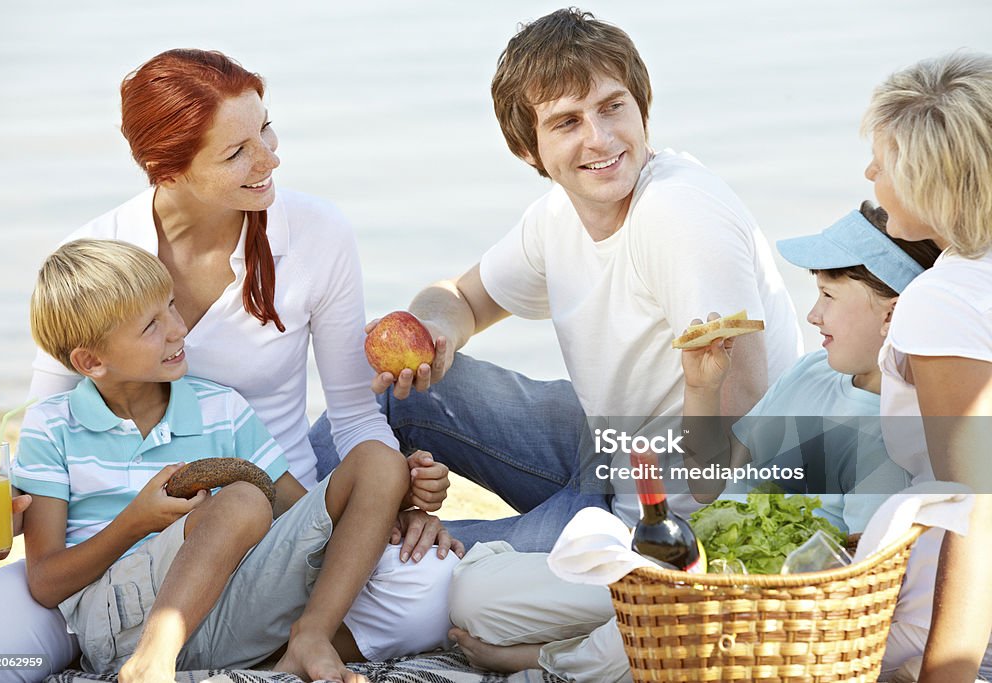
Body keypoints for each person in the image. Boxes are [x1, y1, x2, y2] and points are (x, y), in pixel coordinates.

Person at [0, 48, 458, 683]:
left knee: (431, 587)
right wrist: (3, 506)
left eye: (266, 129)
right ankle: (182, 644)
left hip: (276, 529)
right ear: (165, 169)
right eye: (236, 152)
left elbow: (355, 417)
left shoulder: (316, 234)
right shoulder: (94, 264)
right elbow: (52, 426)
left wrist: (386, 501)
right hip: (116, 552)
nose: (270, 158)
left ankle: (281, 638)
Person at [311, 6, 803, 553]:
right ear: (528, 150)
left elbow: (746, 425)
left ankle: (320, 557)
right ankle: (286, 521)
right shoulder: (558, 215)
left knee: (400, 568)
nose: (600, 138)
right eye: (568, 122)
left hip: (669, 509)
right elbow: (462, 298)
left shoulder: (679, 213)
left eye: (613, 108)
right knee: (400, 398)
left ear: (643, 109)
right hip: (605, 444)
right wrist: (433, 333)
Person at [445, 202, 939, 682]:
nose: (812, 315)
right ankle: (604, 643)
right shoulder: (813, 374)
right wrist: (702, 388)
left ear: (892, 316)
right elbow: (708, 486)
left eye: (829, 298)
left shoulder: (895, 438)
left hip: (744, 609)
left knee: (669, 631)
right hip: (682, 565)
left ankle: (549, 663)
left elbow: (852, 584)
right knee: (474, 596)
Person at [12, 238, 443, 683]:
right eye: (151, 327)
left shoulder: (222, 407)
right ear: (91, 361)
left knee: (378, 460)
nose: (178, 329)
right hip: (118, 628)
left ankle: (310, 637)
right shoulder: (52, 427)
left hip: (224, 610)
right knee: (244, 500)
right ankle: (150, 663)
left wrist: (393, 505)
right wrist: (136, 522)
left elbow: (302, 517)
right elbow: (45, 582)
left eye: (172, 307)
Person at [859, 53, 992, 682]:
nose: (868, 175)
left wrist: (947, 674)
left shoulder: (943, 301)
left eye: (881, 166)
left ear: (926, 182)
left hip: (952, 608)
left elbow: (979, 510)